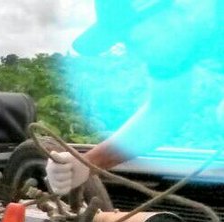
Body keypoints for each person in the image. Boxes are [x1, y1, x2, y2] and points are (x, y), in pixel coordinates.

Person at [46, 0, 223, 195]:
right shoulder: (177, 40)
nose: (133, 54)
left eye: (136, 41)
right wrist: (87, 163)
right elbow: (164, 111)